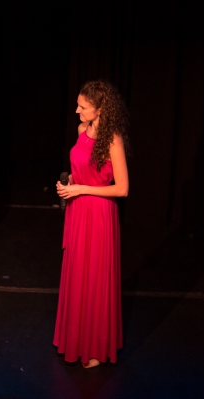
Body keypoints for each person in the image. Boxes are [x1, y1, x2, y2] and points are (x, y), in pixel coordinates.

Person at [54, 80, 130, 368]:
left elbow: (122, 189)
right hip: (78, 212)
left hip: (99, 216)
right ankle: (75, 340)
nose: (77, 110)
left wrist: (81, 190)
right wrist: (70, 184)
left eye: (82, 107)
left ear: (99, 109)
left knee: (95, 278)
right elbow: (81, 172)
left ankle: (95, 347)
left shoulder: (112, 139)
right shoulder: (81, 131)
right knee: (77, 275)